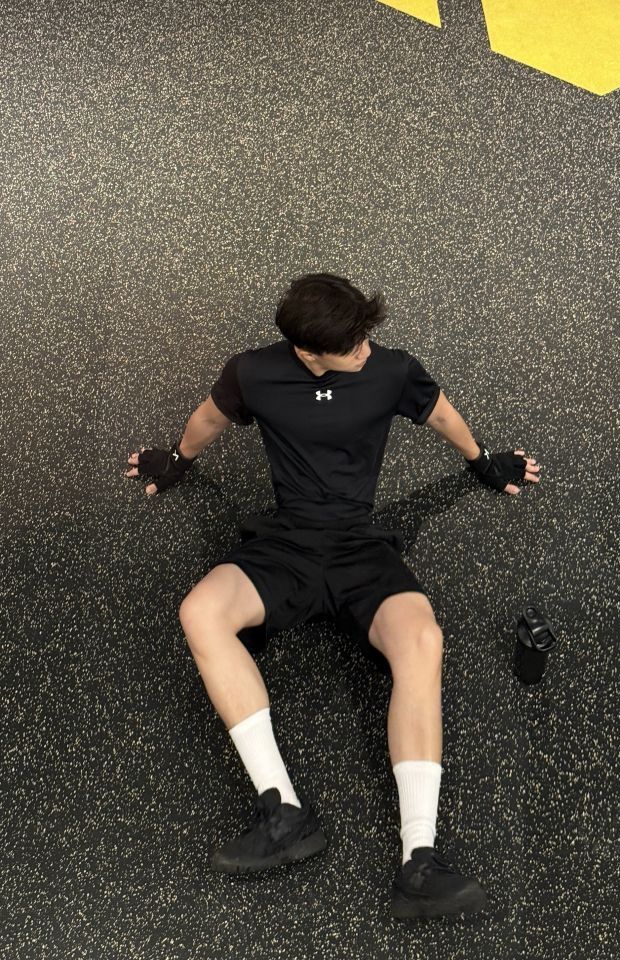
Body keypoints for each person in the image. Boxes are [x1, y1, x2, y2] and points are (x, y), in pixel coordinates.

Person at [124, 272, 541, 920]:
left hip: (358, 548)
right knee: (199, 611)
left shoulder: (391, 370)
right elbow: (209, 417)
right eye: (351, 347)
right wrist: (176, 461)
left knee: (423, 640)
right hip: (285, 545)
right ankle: (283, 811)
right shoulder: (254, 373)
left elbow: (439, 412)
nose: (365, 351)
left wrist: (483, 461)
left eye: (365, 337)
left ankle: (419, 859)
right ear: (306, 352)